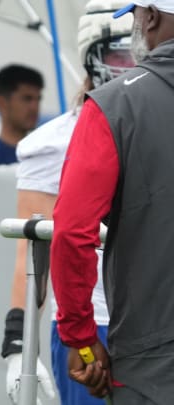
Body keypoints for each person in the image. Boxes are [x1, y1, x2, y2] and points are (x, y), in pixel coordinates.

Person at [0, 2, 136, 404]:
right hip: (90, 325)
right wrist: (16, 342)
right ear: (93, 54)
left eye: (138, 52)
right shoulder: (54, 142)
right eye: (120, 53)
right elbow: (32, 254)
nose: (131, 64)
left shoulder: (158, 117)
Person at [51, 1, 174, 403]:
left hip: (152, 363)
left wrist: (82, 341)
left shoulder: (114, 104)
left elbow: (71, 232)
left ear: (151, 17)